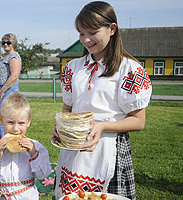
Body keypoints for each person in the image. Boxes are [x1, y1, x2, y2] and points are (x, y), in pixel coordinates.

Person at [52, 1, 152, 200]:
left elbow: (138, 121)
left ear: (112, 29)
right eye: (81, 33)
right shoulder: (73, 68)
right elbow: (68, 109)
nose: (86, 39)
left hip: (109, 149)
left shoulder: (129, 69)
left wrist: (102, 126)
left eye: (92, 32)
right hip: (74, 149)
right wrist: (61, 126)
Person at [0, 93, 52, 200]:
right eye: (10, 122)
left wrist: (33, 153)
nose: (15, 129)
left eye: (21, 123)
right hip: (2, 196)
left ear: (28, 122)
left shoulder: (36, 146)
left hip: (26, 196)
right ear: (1, 120)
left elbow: (43, 174)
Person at [0, 33, 21, 138]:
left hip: (7, 90)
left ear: (13, 43)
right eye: (3, 43)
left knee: (1, 118)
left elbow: (14, 76)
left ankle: (4, 141)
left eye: (8, 42)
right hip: (4, 90)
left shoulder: (14, 57)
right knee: (6, 117)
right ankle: (8, 138)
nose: (5, 45)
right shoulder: (7, 56)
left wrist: (2, 91)